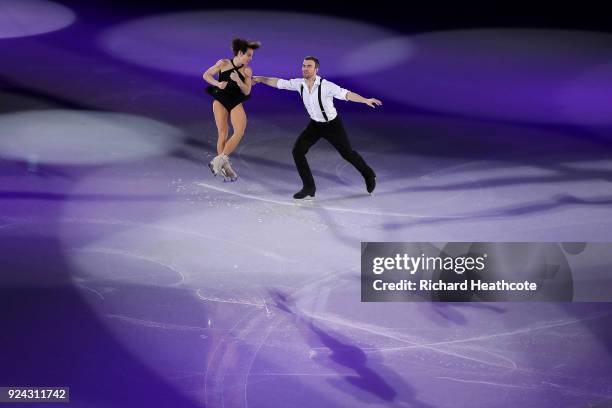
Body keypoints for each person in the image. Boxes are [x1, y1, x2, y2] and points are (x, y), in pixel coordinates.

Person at [253, 56, 381, 199]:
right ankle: (309, 187)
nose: (305, 69)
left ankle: (368, 174)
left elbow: (346, 94)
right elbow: (278, 82)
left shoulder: (326, 86)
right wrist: (259, 78)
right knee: (297, 151)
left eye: (309, 66)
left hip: (332, 125)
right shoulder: (299, 84)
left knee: (347, 153)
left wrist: (365, 100)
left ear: (316, 69)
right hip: (315, 125)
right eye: (304, 66)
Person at [202, 38, 260, 181]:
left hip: (235, 102)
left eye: (252, 56)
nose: (251, 59)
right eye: (249, 55)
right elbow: (206, 75)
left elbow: (246, 91)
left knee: (239, 131)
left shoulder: (247, 70)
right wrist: (217, 83)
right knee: (223, 132)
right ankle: (224, 165)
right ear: (240, 53)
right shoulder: (223, 63)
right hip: (220, 100)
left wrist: (239, 80)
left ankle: (219, 161)